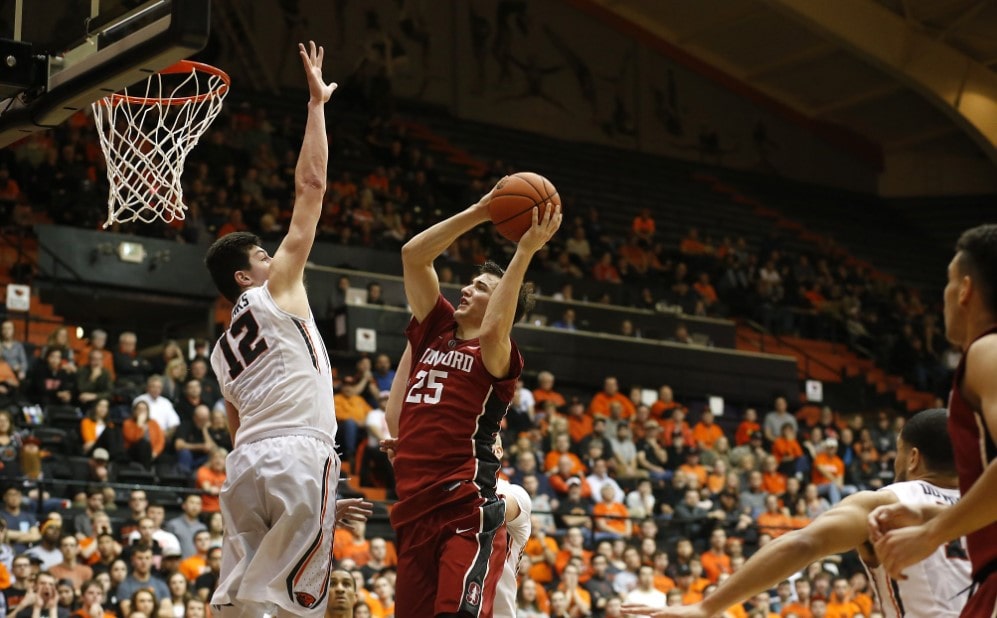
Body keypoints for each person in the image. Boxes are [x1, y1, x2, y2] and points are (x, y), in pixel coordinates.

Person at [203, 42, 349, 618]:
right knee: (293, 606)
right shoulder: (275, 290)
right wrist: (316, 105)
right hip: (299, 453)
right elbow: (311, 189)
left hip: (244, 467)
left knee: (235, 602)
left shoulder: (220, 352)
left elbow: (236, 427)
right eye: (264, 254)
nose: (275, 257)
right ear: (245, 274)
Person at [388, 176, 560, 617]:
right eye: (471, 283)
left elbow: (496, 327)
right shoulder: (434, 327)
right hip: (412, 508)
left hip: (465, 505)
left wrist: (524, 251)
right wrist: (481, 211)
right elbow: (413, 255)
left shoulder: (497, 355)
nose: (467, 289)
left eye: (482, 288)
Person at [622, 408, 970, 618]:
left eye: (897, 451)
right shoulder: (984, 507)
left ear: (912, 458)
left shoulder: (886, 503)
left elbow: (802, 544)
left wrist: (707, 607)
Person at [871, 225, 997, 617]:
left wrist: (931, 533)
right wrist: (935, 516)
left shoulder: (987, 350)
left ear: (964, 289)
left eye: (946, 283)